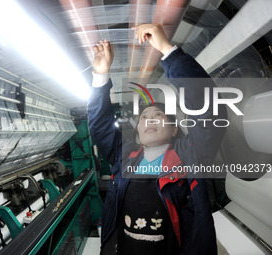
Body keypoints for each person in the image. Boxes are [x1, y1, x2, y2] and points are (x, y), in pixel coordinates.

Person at [87, 24, 227, 255]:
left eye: (158, 116)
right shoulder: (125, 157)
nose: (149, 120)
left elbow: (210, 109)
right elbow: (100, 125)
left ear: (174, 130)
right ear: (138, 130)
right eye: (144, 117)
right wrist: (101, 76)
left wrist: (167, 49)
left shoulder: (190, 155)